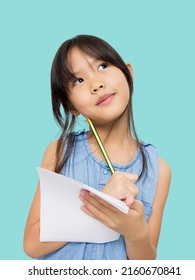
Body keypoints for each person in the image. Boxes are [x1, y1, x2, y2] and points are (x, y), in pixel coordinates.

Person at [23, 35, 171, 260]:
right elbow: (32, 244)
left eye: (102, 66)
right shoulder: (59, 152)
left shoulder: (159, 170)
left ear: (128, 73)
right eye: (78, 81)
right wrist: (100, 202)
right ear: (71, 105)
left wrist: (136, 232)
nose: (96, 84)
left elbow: (146, 264)